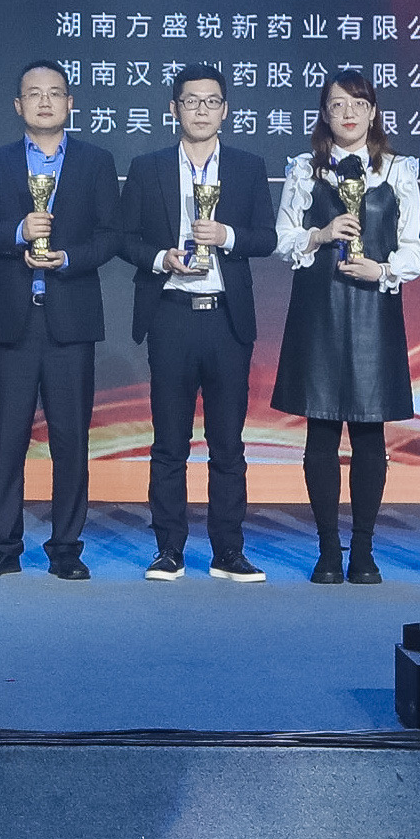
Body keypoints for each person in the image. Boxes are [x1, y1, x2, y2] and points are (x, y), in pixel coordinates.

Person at [0, 56, 119, 580]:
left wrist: (68, 257)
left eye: (54, 93)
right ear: (18, 105)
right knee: (5, 442)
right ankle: (3, 547)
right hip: (12, 323)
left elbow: (111, 237)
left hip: (70, 323)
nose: (45, 101)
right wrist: (18, 233)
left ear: (70, 102)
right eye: (34, 94)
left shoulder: (96, 162)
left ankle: (66, 549)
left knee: (71, 442)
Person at [119, 62, 274, 583]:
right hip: (171, 317)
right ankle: (169, 549)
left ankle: (228, 551)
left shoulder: (248, 167)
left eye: (211, 102)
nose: (201, 110)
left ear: (225, 110)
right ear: (174, 109)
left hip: (227, 321)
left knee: (228, 444)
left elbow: (265, 237)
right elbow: (125, 238)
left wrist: (226, 236)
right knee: (169, 443)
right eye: (191, 101)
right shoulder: (148, 168)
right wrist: (161, 258)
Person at [273, 69, 420, 582]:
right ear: (324, 114)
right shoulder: (304, 169)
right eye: (337, 105)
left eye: (358, 104)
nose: (348, 113)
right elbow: (283, 240)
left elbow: (414, 249)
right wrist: (320, 234)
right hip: (318, 310)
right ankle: (327, 550)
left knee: (368, 430)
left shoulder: (397, 171)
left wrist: (382, 270)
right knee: (320, 428)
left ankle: (363, 549)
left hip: (372, 311)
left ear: (373, 112)